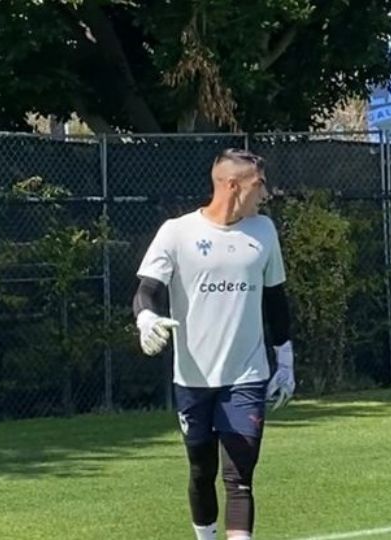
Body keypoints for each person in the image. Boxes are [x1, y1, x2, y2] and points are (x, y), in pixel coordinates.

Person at [132, 148, 295, 540]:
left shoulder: (264, 231)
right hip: (193, 378)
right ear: (233, 185)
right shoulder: (177, 232)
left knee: (239, 475)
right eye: (259, 185)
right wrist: (145, 318)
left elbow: (276, 300)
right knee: (201, 471)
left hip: (247, 376)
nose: (266, 193)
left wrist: (285, 360)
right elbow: (147, 290)